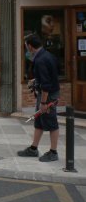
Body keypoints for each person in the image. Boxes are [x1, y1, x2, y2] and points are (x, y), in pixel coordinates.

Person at [18, 34, 61, 162]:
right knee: (39, 122)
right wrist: (36, 80)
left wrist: (43, 102)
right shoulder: (48, 55)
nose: (26, 49)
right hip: (47, 93)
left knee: (52, 123)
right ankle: (33, 148)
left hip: (47, 96)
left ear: (30, 46)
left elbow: (47, 84)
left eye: (26, 46)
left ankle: (53, 152)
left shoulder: (40, 60)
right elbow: (52, 73)